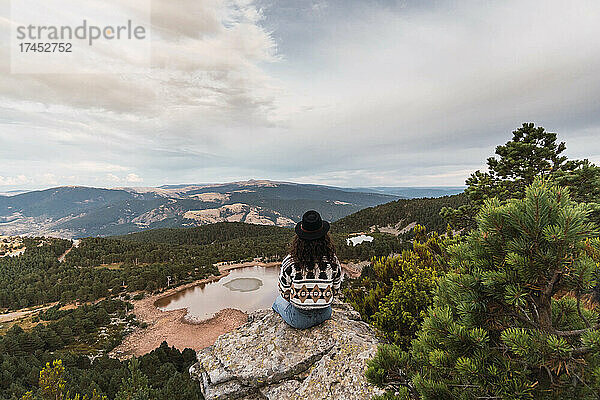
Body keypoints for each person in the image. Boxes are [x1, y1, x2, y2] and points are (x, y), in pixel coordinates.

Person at [272, 210, 342, 329]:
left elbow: (284, 293)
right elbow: (336, 288)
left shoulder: (290, 262)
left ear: (299, 239)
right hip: (325, 314)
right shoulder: (333, 261)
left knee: (277, 302)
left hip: (299, 320)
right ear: (325, 237)